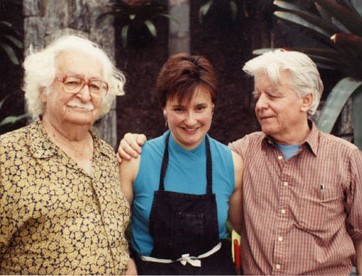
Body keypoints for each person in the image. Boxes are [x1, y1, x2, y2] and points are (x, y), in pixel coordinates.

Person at [118, 49, 362, 275]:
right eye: (258, 95)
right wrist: (132, 141)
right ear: (164, 108)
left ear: (306, 100)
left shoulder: (346, 158)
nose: (261, 104)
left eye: (273, 95)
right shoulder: (241, 154)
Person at [0, 35, 135, 274]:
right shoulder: (7, 156)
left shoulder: (107, 155)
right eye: (73, 82)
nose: (85, 95)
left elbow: (115, 241)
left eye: (95, 86)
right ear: (44, 89)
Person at [119, 53, 243, 274]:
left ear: (213, 106)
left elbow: (246, 231)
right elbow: (110, 231)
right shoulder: (136, 159)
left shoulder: (231, 163)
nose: (191, 120)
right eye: (179, 109)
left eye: (200, 108)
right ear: (164, 108)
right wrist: (126, 263)